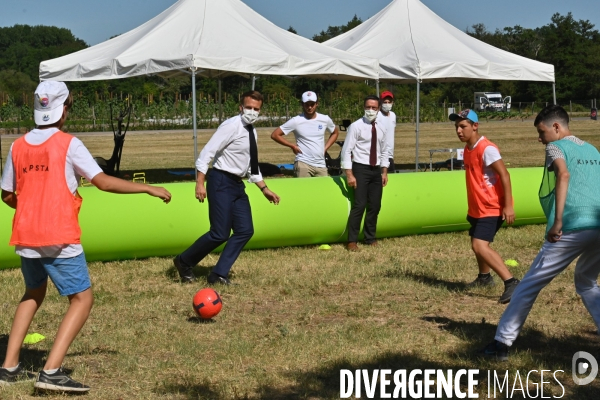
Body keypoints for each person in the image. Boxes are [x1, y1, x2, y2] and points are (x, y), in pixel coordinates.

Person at [0, 81, 171, 392]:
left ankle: (9, 365)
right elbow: (102, 182)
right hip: (59, 237)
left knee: (32, 293)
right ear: (63, 110)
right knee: (82, 299)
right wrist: (147, 187)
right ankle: (51, 372)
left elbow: (7, 194)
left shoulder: (17, 145)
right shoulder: (69, 144)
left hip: (25, 237)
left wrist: (32, 208)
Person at [482, 105, 600, 361]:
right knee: (586, 281)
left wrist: (557, 221)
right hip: (598, 225)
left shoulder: (555, 147)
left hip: (573, 225)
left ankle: (501, 343)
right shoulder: (592, 149)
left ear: (556, 127)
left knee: (528, 285)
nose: (540, 138)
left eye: (541, 131)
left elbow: (564, 174)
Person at [173, 90, 280, 285]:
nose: (252, 111)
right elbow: (207, 152)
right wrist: (200, 182)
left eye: (256, 109)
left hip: (237, 185)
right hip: (220, 181)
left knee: (245, 230)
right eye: (248, 107)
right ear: (240, 107)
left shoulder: (252, 130)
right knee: (219, 233)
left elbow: (251, 166)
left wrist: (264, 189)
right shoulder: (231, 126)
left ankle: (218, 274)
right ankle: (184, 261)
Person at [450, 109, 519, 304]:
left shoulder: (487, 148)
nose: (459, 131)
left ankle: (511, 281)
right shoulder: (467, 149)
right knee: (476, 242)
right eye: (456, 127)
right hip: (477, 207)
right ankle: (484, 278)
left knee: (479, 245)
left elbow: (505, 175)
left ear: (475, 126)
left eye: (463, 126)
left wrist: (508, 206)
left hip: (491, 206)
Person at [342, 95, 390, 252]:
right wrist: (349, 173)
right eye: (368, 107)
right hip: (360, 168)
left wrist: (384, 171)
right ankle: (352, 240)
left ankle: (370, 238)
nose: (371, 110)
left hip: (376, 170)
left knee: (375, 206)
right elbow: (346, 150)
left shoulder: (382, 127)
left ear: (378, 109)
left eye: (374, 108)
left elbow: (384, 150)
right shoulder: (356, 126)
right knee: (360, 205)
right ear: (364, 107)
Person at [270, 91, 339, 177]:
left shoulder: (325, 119)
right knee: (303, 190)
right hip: (303, 164)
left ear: (317, 104)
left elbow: (335, 133)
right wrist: (292, 146)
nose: (309, 107)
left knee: (321, 190)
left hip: (321, 164)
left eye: (312, 104)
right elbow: (275, 135)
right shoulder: (296, 120)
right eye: (307, 104)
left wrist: (325, 148)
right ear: (302, 104)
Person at [377, 90, 397, 173]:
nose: (387, 104)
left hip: (390, 154)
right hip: (380, 154)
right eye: (385, 102)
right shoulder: (377, 116)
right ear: (380, 102)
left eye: (389, 102)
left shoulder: (393, 115)